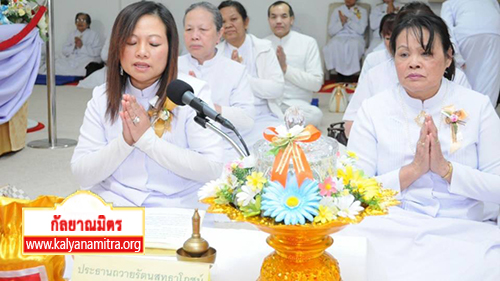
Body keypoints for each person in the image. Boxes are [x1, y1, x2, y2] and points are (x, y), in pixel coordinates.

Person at [344, 12, 500, 280]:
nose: (413, 63)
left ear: (448, 57)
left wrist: (446, 170)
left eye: (426, 53)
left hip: (463, 226)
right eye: (403, 55)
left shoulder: (477, 106)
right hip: (389, 223)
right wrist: (412, 171)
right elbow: (352, 190)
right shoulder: (374, 109)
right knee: (345, 256)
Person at [71, 1, 223, 208]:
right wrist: (125, 142)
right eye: (131, 42)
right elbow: (82, 174)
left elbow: (212, 168)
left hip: (179, 204)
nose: (141, 52)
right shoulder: (102, 97)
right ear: (117, 47)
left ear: (170, 48)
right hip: (115, 202)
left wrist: (147, 140)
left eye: (153, 44)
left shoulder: (191, 93)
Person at [343, 2, 471, 137]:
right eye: (405, 53)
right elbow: (352, 124)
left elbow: (468, 129)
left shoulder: (458, 79)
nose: (414, 63)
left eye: (426, 52)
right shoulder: (375, 76)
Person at [179, 2, 255, 156]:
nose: (194, 36)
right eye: (189, 29)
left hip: (224, 148)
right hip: (182, 148)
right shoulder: (172, 67)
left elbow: (247, 120)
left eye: (203, 29)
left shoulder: (235, 70)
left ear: (219, 34)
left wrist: (205, 106)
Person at [217, 0, 285, 147]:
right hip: (231, 120)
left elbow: (276, 89)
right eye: (223, 22)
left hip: (264, 115)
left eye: (233, 19)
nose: (228, 25)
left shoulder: (264, 48)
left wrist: (241, 76)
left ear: (246, 22)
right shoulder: (215, 53)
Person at [265, 1, 324, 128]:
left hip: (297, 105)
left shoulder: (308, 43)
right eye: (273, 17)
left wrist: (285, 69)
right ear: (269, 20)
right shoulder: (262, 44)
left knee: (316, 114)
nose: (278, 21)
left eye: (284, 16)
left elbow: (316, 83)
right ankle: (282, 124)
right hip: (269, 104)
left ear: (292, 19)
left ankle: (277, 124)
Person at [441, 0, 500, 106]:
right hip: (495, 34)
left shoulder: (449, 3)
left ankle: (468, 113)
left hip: (466, 35)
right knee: (490, 80)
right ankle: (487, 113)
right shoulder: (492, 1)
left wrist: (457, 57)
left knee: (464, 80)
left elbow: (446, 30)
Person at [323, 0, 368, 77]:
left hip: (356, 37)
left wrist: (348, 20)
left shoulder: (362, 11)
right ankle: (339, 74)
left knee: (353, 45)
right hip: (340, 36)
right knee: (335, 44)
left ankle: (350, 76)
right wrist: (341, 23)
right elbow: (331, 31)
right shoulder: (337, 10)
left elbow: (361, 30)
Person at [358, 12, 396, 81]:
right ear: (382, 35)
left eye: (395, 38)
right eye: (388, 38)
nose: (392, 43)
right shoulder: (372, 58)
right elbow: (363, 85)